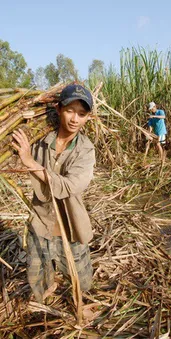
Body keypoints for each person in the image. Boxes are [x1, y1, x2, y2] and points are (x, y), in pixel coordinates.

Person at [12, 84, 96, 303]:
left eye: (82, 114)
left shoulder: (85, 150)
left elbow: (68, 187)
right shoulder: (40, 140)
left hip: (71, 227)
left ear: (88, 117)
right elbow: (16, 153)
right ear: (58, 109)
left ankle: (78, 305)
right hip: (41, 222)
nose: (75, 119)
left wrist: (31, 163)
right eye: (70, 110)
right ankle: (44, 305)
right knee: (37, 277)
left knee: (81, 281)